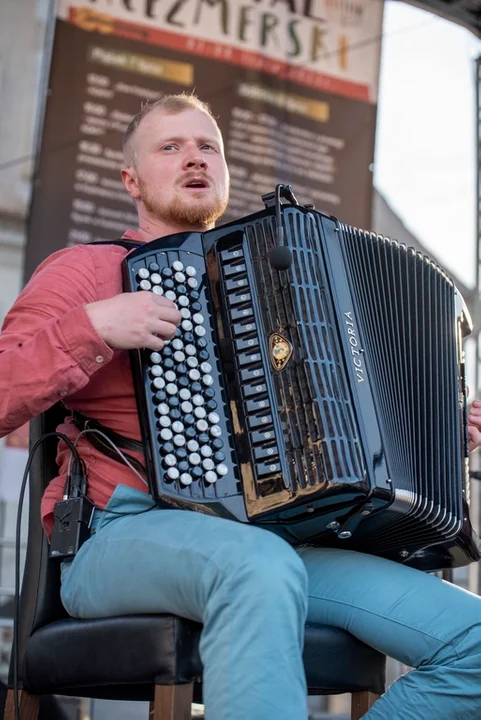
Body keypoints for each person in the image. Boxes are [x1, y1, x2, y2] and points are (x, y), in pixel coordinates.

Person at [1, 92, 481, 720]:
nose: (194, 159)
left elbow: (347, 426)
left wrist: (440, 434)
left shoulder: (282, 287)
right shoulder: (85, 271)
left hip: (282, 541)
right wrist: (93, 326)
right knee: (257, 564)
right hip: (120, 536)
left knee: (471, 641)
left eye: (208, 147)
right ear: (132, 180)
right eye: (170, 147)